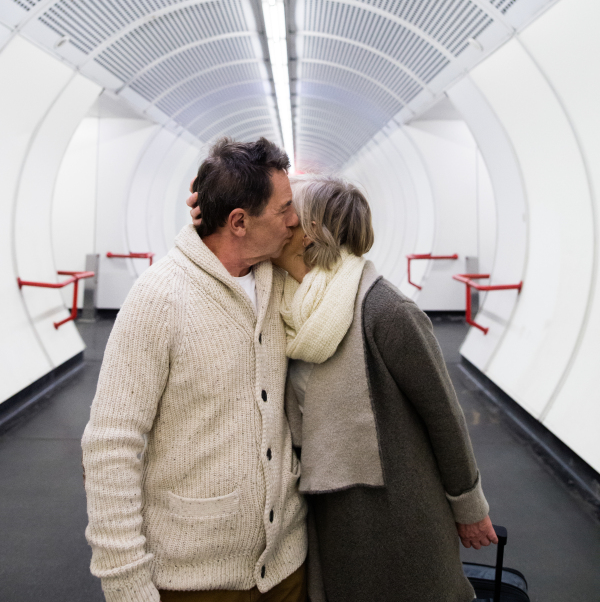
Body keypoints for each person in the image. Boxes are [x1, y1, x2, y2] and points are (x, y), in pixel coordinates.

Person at [82, 138, 308, 602]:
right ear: (239, 222)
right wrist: (126, 583)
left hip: (286, 567)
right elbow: (110, 447)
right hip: (195, 582)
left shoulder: (279, 282)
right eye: (284, 209)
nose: (295, 220)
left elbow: (342, 245)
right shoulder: (159, 299)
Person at [271, 174, 497, 602]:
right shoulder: (286, 307)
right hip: (327, 516)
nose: (281, 222)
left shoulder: (385, 310)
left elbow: (443, 414)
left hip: (398, 519)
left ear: (311, 232)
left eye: (290, 214)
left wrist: (469, 507)